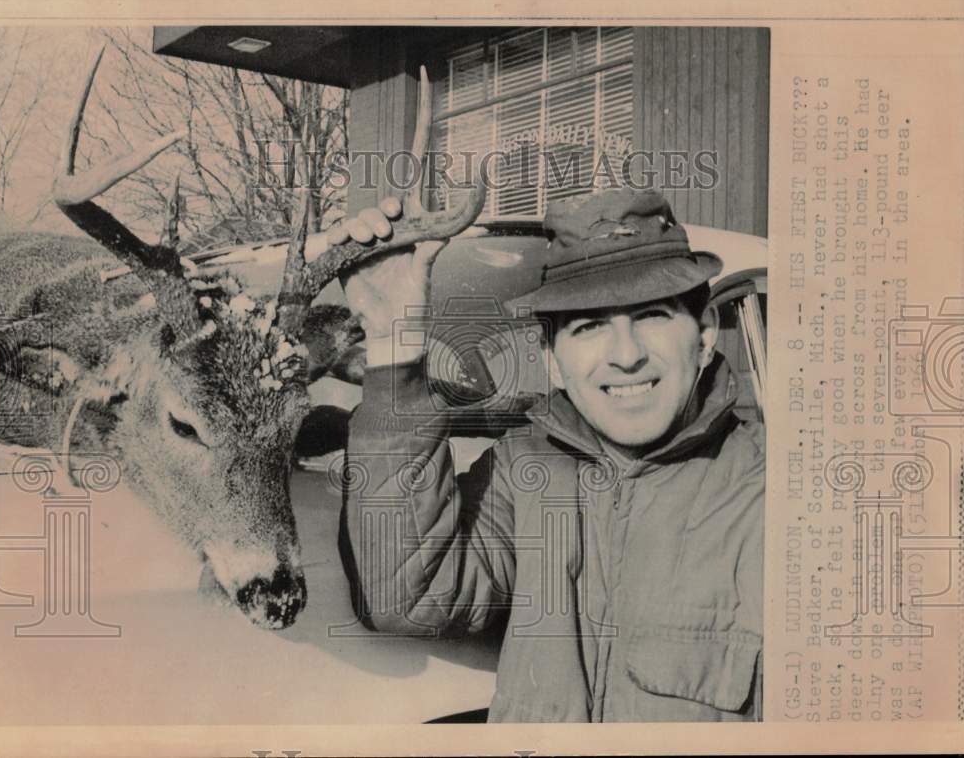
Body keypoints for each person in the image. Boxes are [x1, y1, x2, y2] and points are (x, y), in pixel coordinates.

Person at [313, 188, 764, 723]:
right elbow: (405, 597)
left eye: (651, 315)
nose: (625, 356)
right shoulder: (524, 469)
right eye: (589, 325)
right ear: (551, 358)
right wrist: (393, 341)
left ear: (706, 333)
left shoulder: (782, 494)